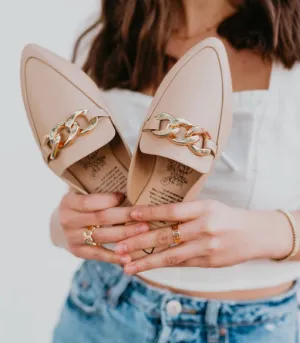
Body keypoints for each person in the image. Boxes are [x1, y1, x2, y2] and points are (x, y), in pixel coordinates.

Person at [52, 1, 300, 342]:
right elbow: (82, 196)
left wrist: (266, 232)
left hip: (250, 328)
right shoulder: (119, 26)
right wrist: (66, 226)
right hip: (102, 309)